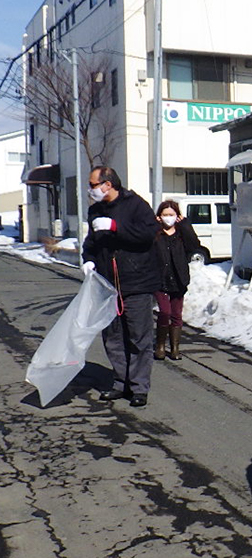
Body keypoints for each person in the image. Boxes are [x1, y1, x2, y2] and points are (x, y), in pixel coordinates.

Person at [81, 166, 161, 407]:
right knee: (113, 336)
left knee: (138, 336)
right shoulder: (95, 210)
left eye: (93, 185)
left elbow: (148, 234)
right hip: (107, 284)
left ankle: (138, 387)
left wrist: (117, 228)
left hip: (136, 281)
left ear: (108, 184)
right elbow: (92, 241)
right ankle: (120, 382)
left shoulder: (136, 204)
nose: (91, 189)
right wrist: (89, 259)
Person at [152, 200, 201, 361]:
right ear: (159, 216)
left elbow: (194, 246)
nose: (168, 218)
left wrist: (185, 225)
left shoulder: (181, 233)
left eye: (171, 215)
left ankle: (175, 348)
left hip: (179, 278)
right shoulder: (156, 233)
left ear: (177, 216)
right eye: (165, 215)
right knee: (164, 311)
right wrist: (153, 224)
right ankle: (160, 345)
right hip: (160, 279)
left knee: (176, 314)